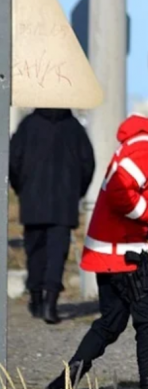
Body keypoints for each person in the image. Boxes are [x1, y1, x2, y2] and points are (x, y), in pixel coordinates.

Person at [45, 91, 148, 389]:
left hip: (111, 250)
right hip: (122, 252)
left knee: (113, 321)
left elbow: (133, 193)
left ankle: (61, 385)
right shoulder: (146, 148)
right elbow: (118, 192)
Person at [9, 108, 95, 325]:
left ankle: (36, 299)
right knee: (57, 254)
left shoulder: (28, 125)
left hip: (32, 201)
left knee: (35, 251)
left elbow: (13, 162)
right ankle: (51, 304)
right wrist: (77, 192)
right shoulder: (74, 127)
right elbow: (88, 164)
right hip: (63, 204)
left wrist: (22, 190)